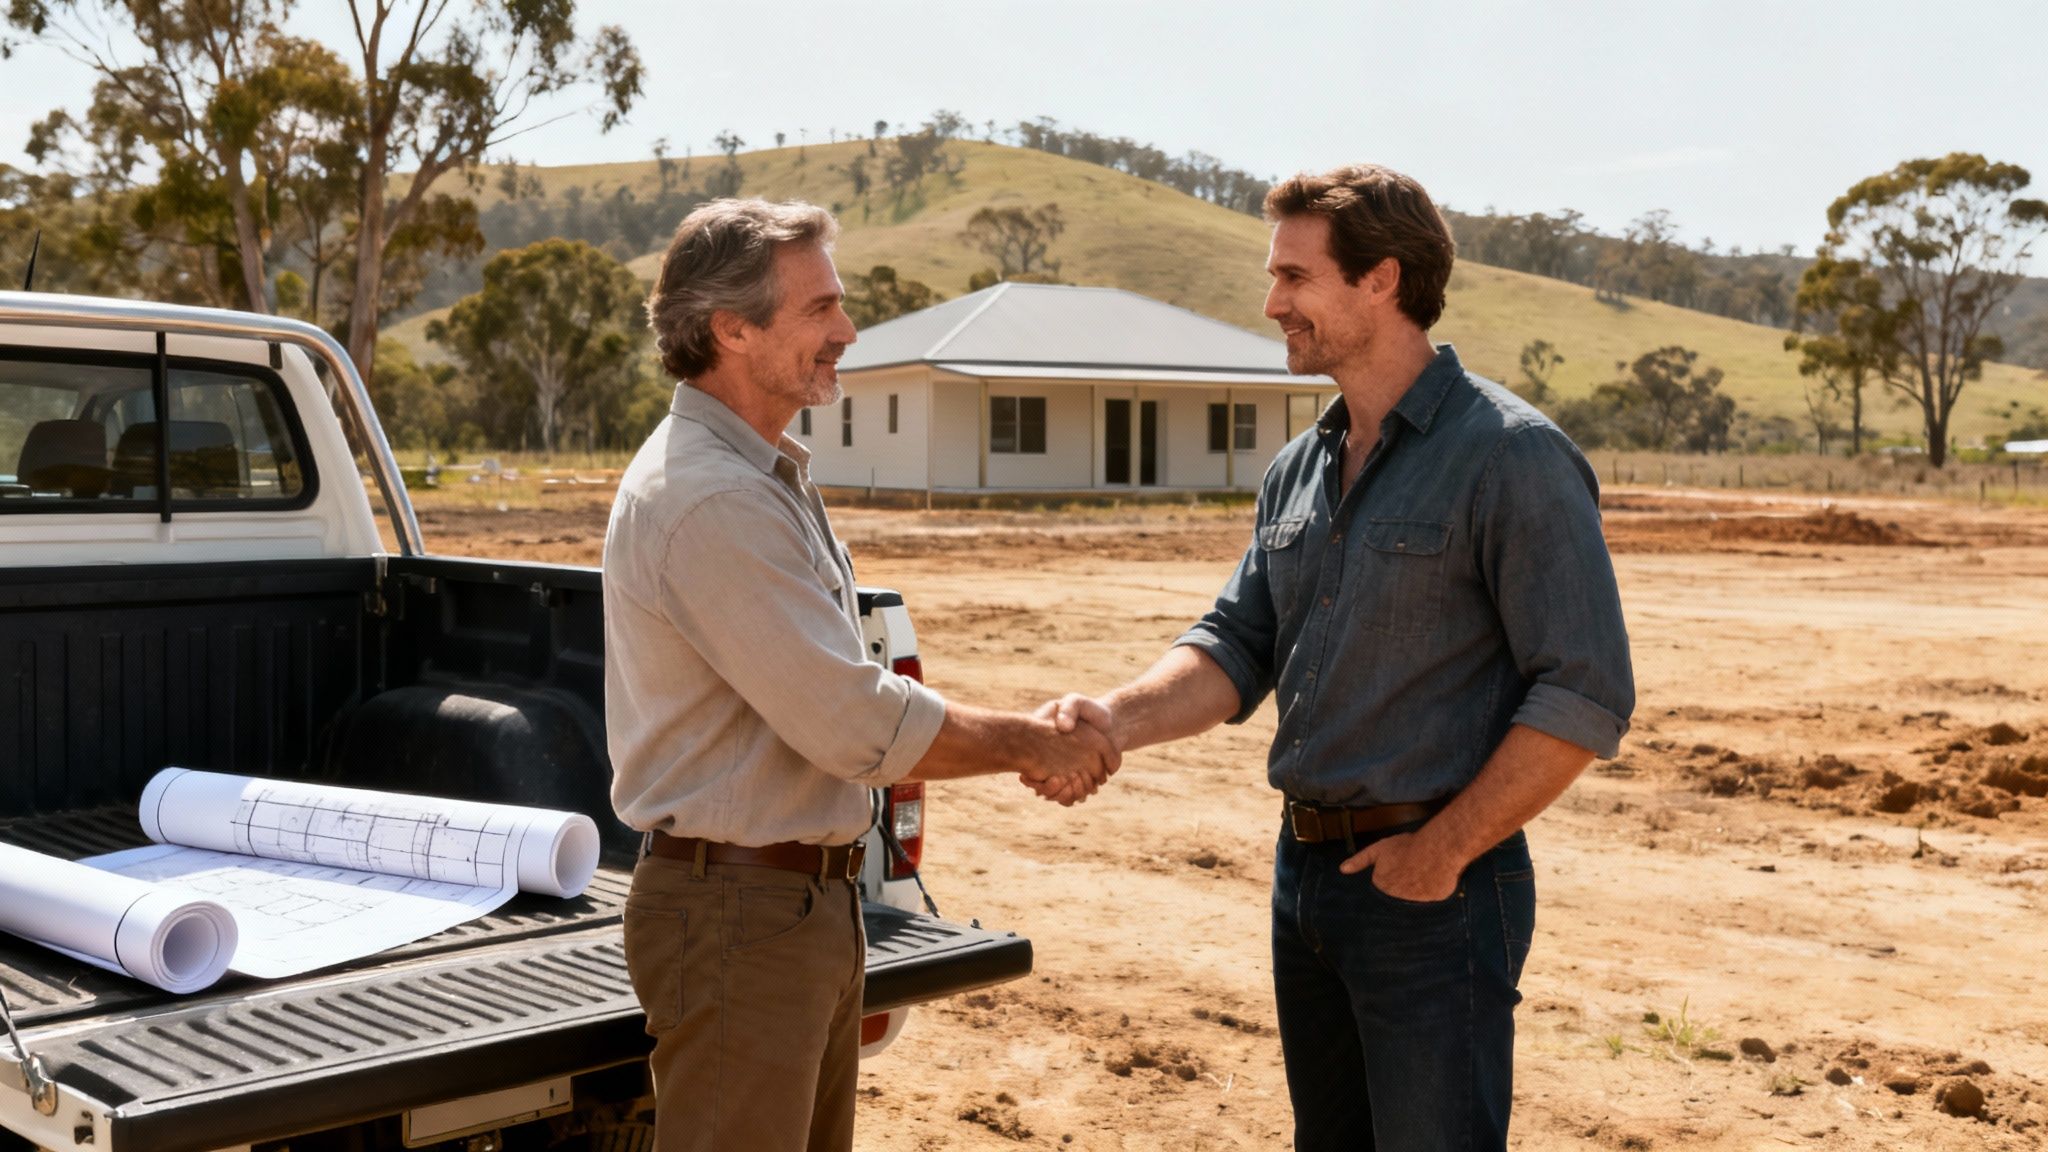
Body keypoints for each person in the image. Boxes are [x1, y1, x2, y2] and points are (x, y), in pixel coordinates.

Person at [1049, 164, 1635, 1151]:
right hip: (1305, 879)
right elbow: (1236, 646)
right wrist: (1110, 721)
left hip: (1433, 893)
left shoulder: (1509, 456)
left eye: (1293, 277)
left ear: (1382, 280)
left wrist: (1438, 854)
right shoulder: (1296, 469)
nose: (1270, 302)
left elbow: (1584, 691)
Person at [603, 197, 1117, 1152]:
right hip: (741, 919)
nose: (847, 331)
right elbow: (851, 722)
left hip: (793, 909)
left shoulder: (757, 474)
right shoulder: (709, 496)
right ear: (732, 328)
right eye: (820, 309)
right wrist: (1033, 744)